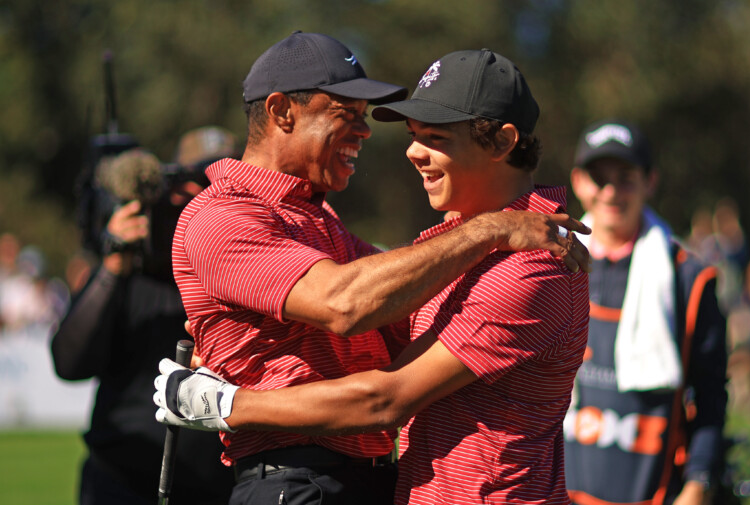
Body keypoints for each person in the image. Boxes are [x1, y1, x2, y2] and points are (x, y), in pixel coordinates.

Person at [156, 47, 590, 505]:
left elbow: (383, 393)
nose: (410, 150)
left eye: (436, 137)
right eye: (348, 113)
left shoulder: (531, 260)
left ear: (503, 143)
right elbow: (353, 303)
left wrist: (226, 403)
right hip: (299, 481)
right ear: (280, 111)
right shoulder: (227, 215)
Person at [51, 135, 237, 505]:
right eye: (190, 187)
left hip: (217, 488)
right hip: (120, 481)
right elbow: (69, 363)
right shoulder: (131, 268)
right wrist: (115, 261)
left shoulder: (245, 271)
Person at [562, 119, 728, 505]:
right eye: (598, 177)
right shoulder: (548, 265)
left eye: (625, 177)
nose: (610, 191)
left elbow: (710, 394)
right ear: (577, 181)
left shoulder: (690, 278)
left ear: (650, 181)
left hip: (653, 492)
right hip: (558, 492)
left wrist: (699, 483)